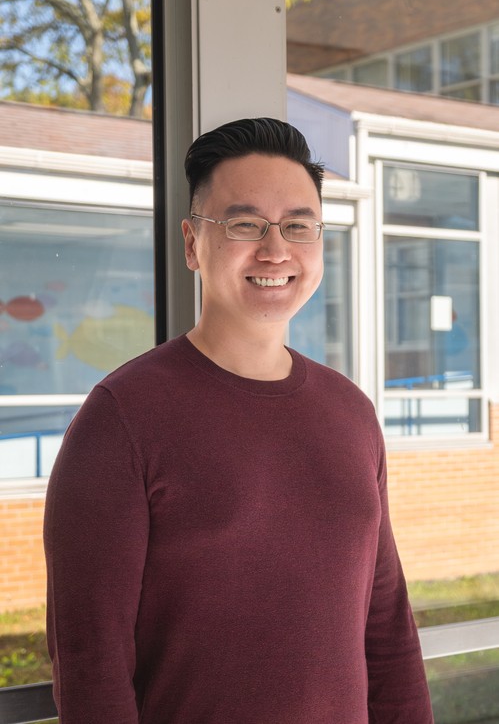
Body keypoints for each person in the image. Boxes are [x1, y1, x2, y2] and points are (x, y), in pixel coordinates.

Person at [44, 117, 434, 723]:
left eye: (298, 226)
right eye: (245, 224)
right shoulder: (121, 419)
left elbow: (386, 632)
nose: (275, 250)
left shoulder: (351, 412)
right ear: (192, 243)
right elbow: (92, 663)